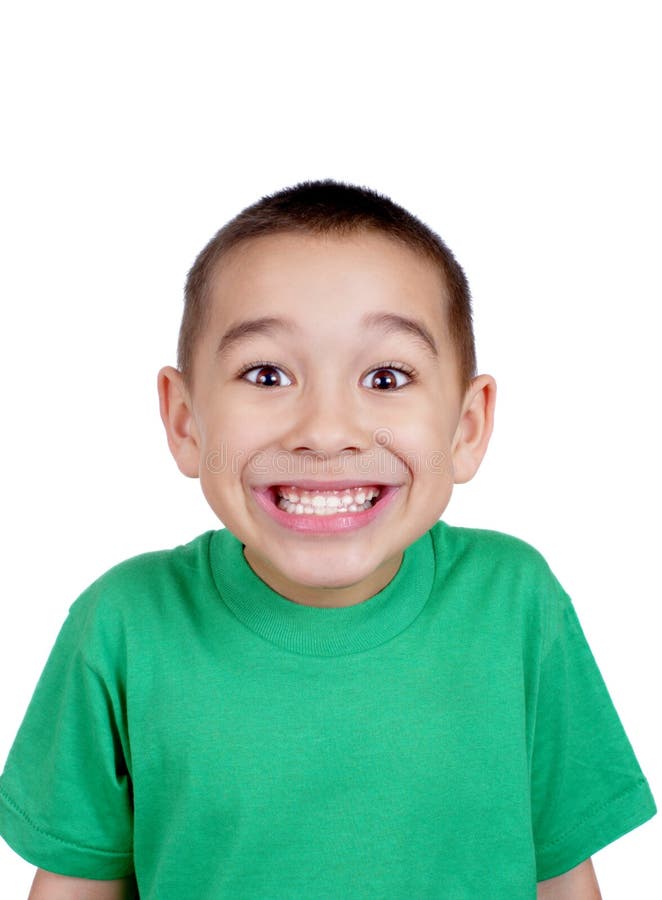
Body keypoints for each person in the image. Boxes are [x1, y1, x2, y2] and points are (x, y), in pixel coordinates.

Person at [0, 180, 656, 899]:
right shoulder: (123, 624)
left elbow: (561, 876)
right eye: (267, 373)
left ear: (467, 428)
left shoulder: (517, 602)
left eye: (385, 376)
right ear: (185, 421)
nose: (325, 431)